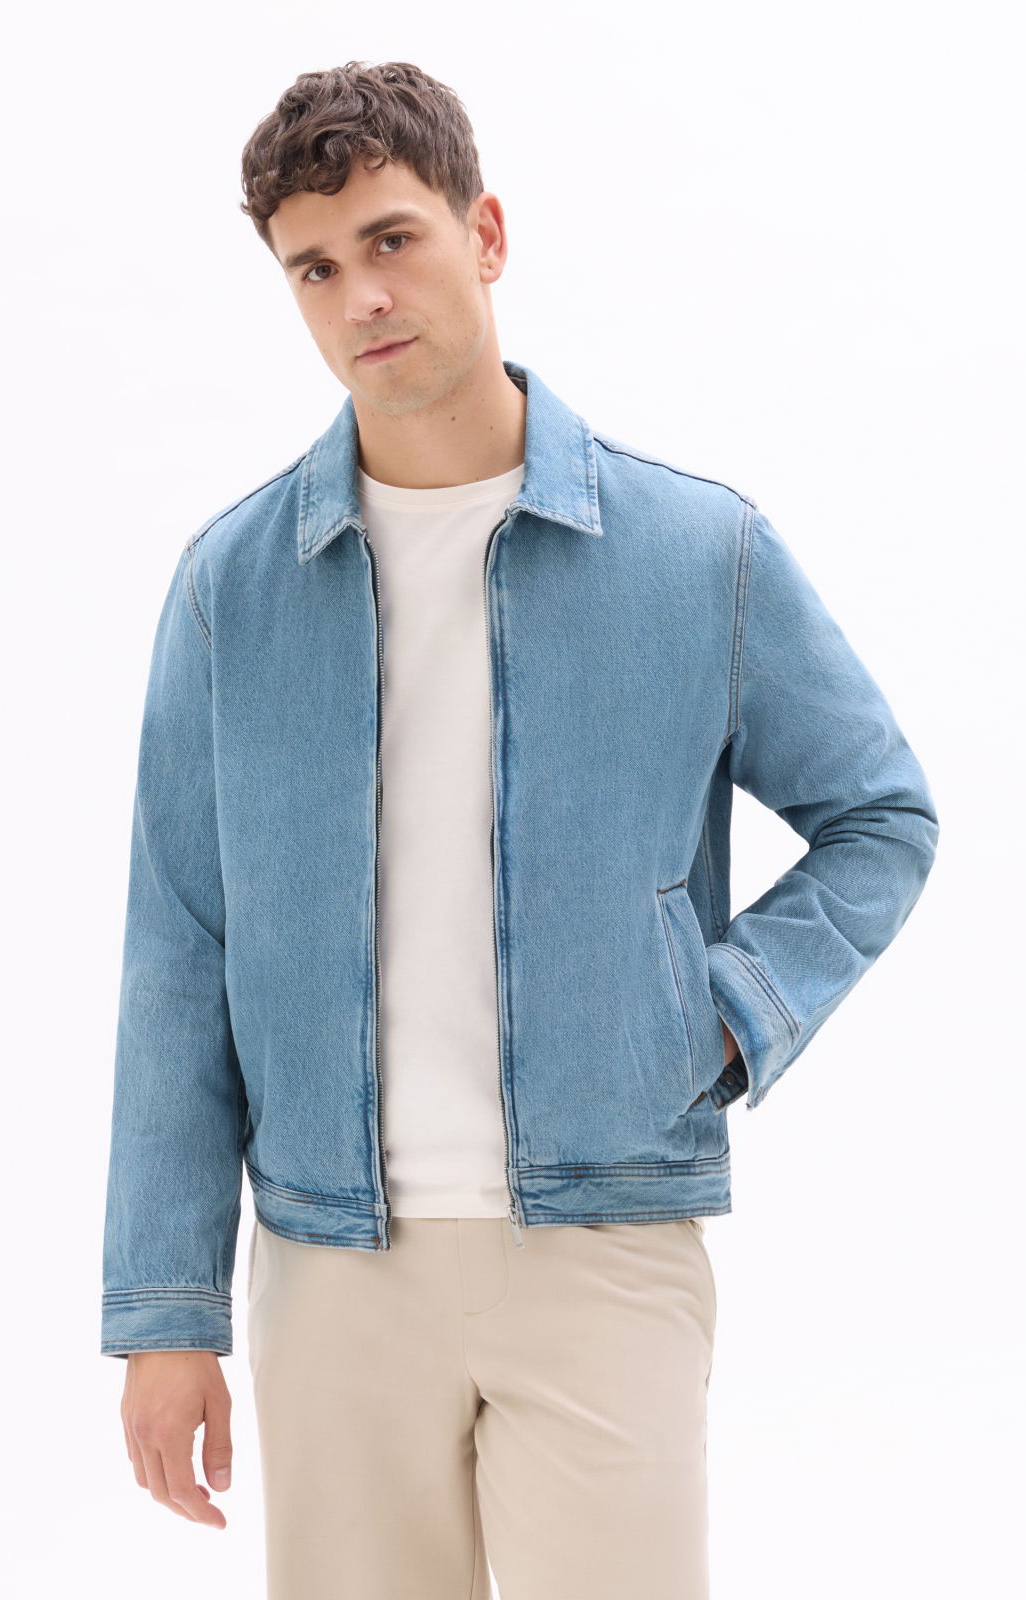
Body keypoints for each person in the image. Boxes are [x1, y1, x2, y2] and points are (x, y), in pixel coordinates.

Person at [100, 59, 939, 1600]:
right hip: (331, 1268)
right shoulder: (234, 589)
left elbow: (880, 814)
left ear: (484, 234)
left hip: (604, 1248)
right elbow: (180, 948)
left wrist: (721, 1016)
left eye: (392, 238)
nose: (362, 295)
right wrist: (167, 1315)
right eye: (315, 268)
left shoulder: (695, 553)